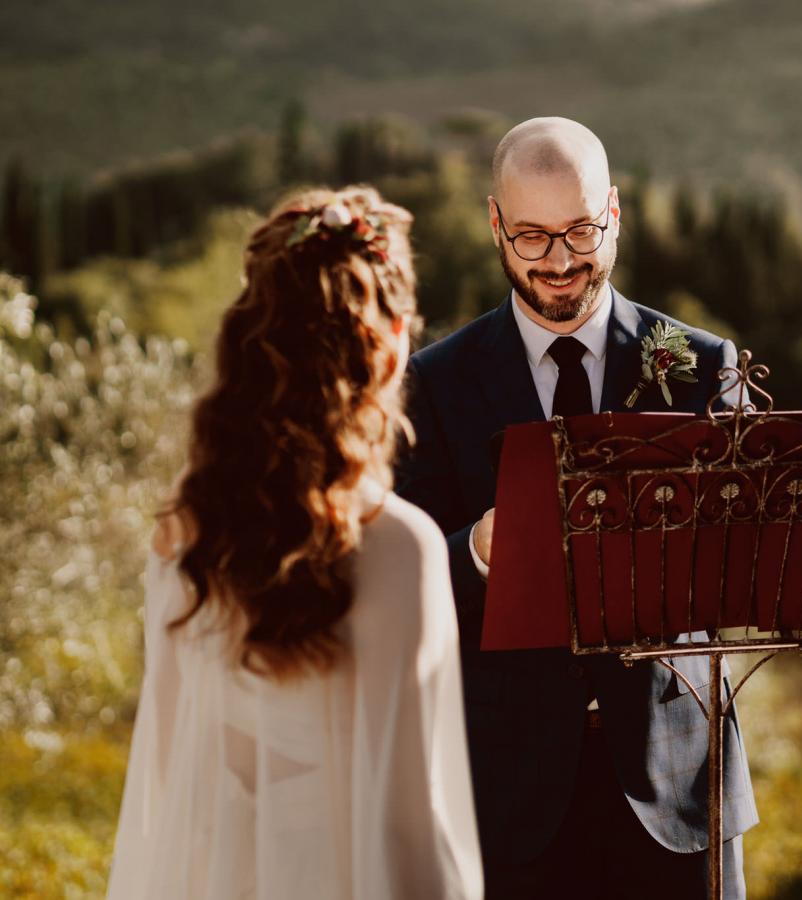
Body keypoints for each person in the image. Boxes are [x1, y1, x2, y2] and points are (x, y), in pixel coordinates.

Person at [396, 117, 757, 899]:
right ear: (495, 224)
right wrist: (479, 550)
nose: (560, 262)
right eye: (531, 237)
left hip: (678, 784)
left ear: (615, 214)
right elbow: (404, 586)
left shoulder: (705, 366)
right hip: (509, 799)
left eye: (580, 231)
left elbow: (744, 563)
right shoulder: (432, 384)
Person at [107, 186, 483, 900]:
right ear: (395, 338)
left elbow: (166, 772)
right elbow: (411, 822)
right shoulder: (401, 548)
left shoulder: (185, 530)